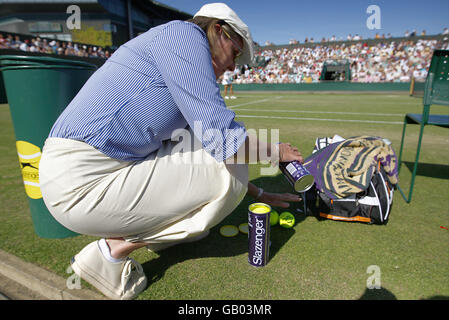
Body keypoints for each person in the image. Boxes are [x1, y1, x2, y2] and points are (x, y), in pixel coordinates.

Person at [39, 3, 304, 300]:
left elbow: (202, 148)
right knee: (233, 173)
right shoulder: (185, 36)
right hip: (79, 181)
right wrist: (275, 152)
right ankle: (111, 250)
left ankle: (141, 233)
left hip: (94, 171)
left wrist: (258, 194)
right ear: (217, 29)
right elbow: (223, 142)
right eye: (235, 53)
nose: (233, 67)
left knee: (219, 184)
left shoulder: (178, 54)